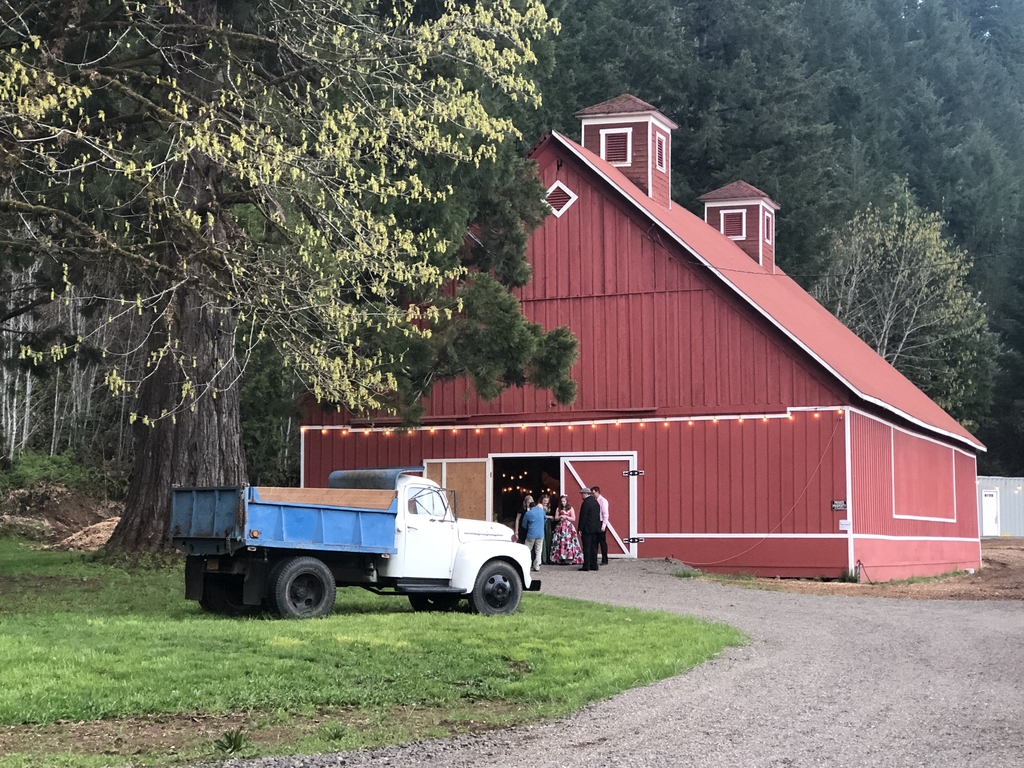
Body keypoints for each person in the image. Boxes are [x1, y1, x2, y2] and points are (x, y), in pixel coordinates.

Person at [549, 494, 583, 565]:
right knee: (559, 541)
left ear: (567, 501)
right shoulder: (558, 508)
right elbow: (556, 518)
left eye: (564, 501)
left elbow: (573, 518)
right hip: (560, 526)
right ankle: (559, 558)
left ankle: (569, 557)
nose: (563, 503)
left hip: (568, 527)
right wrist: (560, 516)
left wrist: (566, 517)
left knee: (569, 542)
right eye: (561, 501)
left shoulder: (571, 508)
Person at [577, 488, 602, 571]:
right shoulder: (596, 502)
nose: (581, 496)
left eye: (582, 494)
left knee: (587, 547)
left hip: (587, 529)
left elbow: (583, 516)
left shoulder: (586, 503)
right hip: (595, 528)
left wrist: (580, 528)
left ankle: (586, 565)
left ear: (585, 494)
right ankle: (594, 565)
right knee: (594, 547)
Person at [522, 496, 547, 572]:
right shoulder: (541, 511)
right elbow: (545, 518)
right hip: (540, 534)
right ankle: (537, 566)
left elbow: (524, 524)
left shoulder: (528, 513)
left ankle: (527, 565)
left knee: (527, 549)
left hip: (531, 534)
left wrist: (528, 527)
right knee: (538, 550)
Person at [591, 485, 610, 565]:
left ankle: (605, 559)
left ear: (598, 492)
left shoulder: (603, 501)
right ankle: (594, 559)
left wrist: (603, 525)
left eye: (594, 493)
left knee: (602, 542)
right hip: (596, 522)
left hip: (601, 522)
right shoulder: (594, 500)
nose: (593, 495)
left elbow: (605, 514)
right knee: (595, 542)